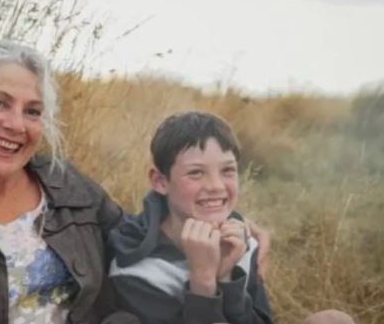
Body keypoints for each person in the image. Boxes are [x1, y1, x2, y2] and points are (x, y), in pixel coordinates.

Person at [0, 41, 270, 324]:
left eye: (32, 111)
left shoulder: (66, 187)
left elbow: (136, 234)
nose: (16, 125)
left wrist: (229, 224)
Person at [108, 111, 356, 324]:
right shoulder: (137, 271)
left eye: (228, 170)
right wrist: (203, 281)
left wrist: (227, 278)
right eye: (196, 173)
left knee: (334, 320)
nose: (216, 186)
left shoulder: (242, 244)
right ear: (160, 181)